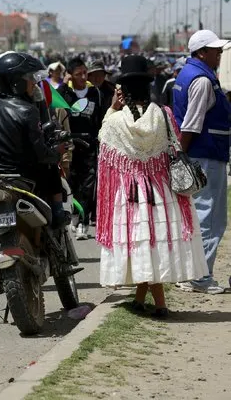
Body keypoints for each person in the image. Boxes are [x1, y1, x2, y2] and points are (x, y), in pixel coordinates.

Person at [97, 55, 208, 316]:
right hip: (160, 191)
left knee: (141, 243)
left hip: (130, 193)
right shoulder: (162, 114)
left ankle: (159, 304)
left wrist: (112, 108)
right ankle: (142, 299)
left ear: (122, 90)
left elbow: (103, 142)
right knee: (154, 244)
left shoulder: (115, 121)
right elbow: (175, 144)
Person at [0, 53, 68, 269]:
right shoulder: (27, 111)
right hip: (22, 177)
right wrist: (57, 152)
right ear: (16, 81)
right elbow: (41, 153)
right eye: (29, 78)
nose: (33, 82)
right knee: (50, 168)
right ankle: (56, 215)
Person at [172, 30, 231, 294]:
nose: (219, 53)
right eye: (215, 49)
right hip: (205, 155)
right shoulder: (202, 80)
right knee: (209, 218)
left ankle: (191, 272)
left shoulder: (187, 74)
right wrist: (181, 157)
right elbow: (192, 124)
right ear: (201, 52)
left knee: (197, 215)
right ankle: (200, 276)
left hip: (201, 154)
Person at [58, 57, 105, 240]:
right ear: (70, 75)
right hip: (69, 146)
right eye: (78, 74)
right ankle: (73, 218)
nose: (83, 77)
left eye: (85, 73)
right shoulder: (63, 92)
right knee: (71, 184)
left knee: (88, 186)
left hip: (89, 147)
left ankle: (83, 224)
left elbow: (100, 119)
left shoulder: (95, 93)